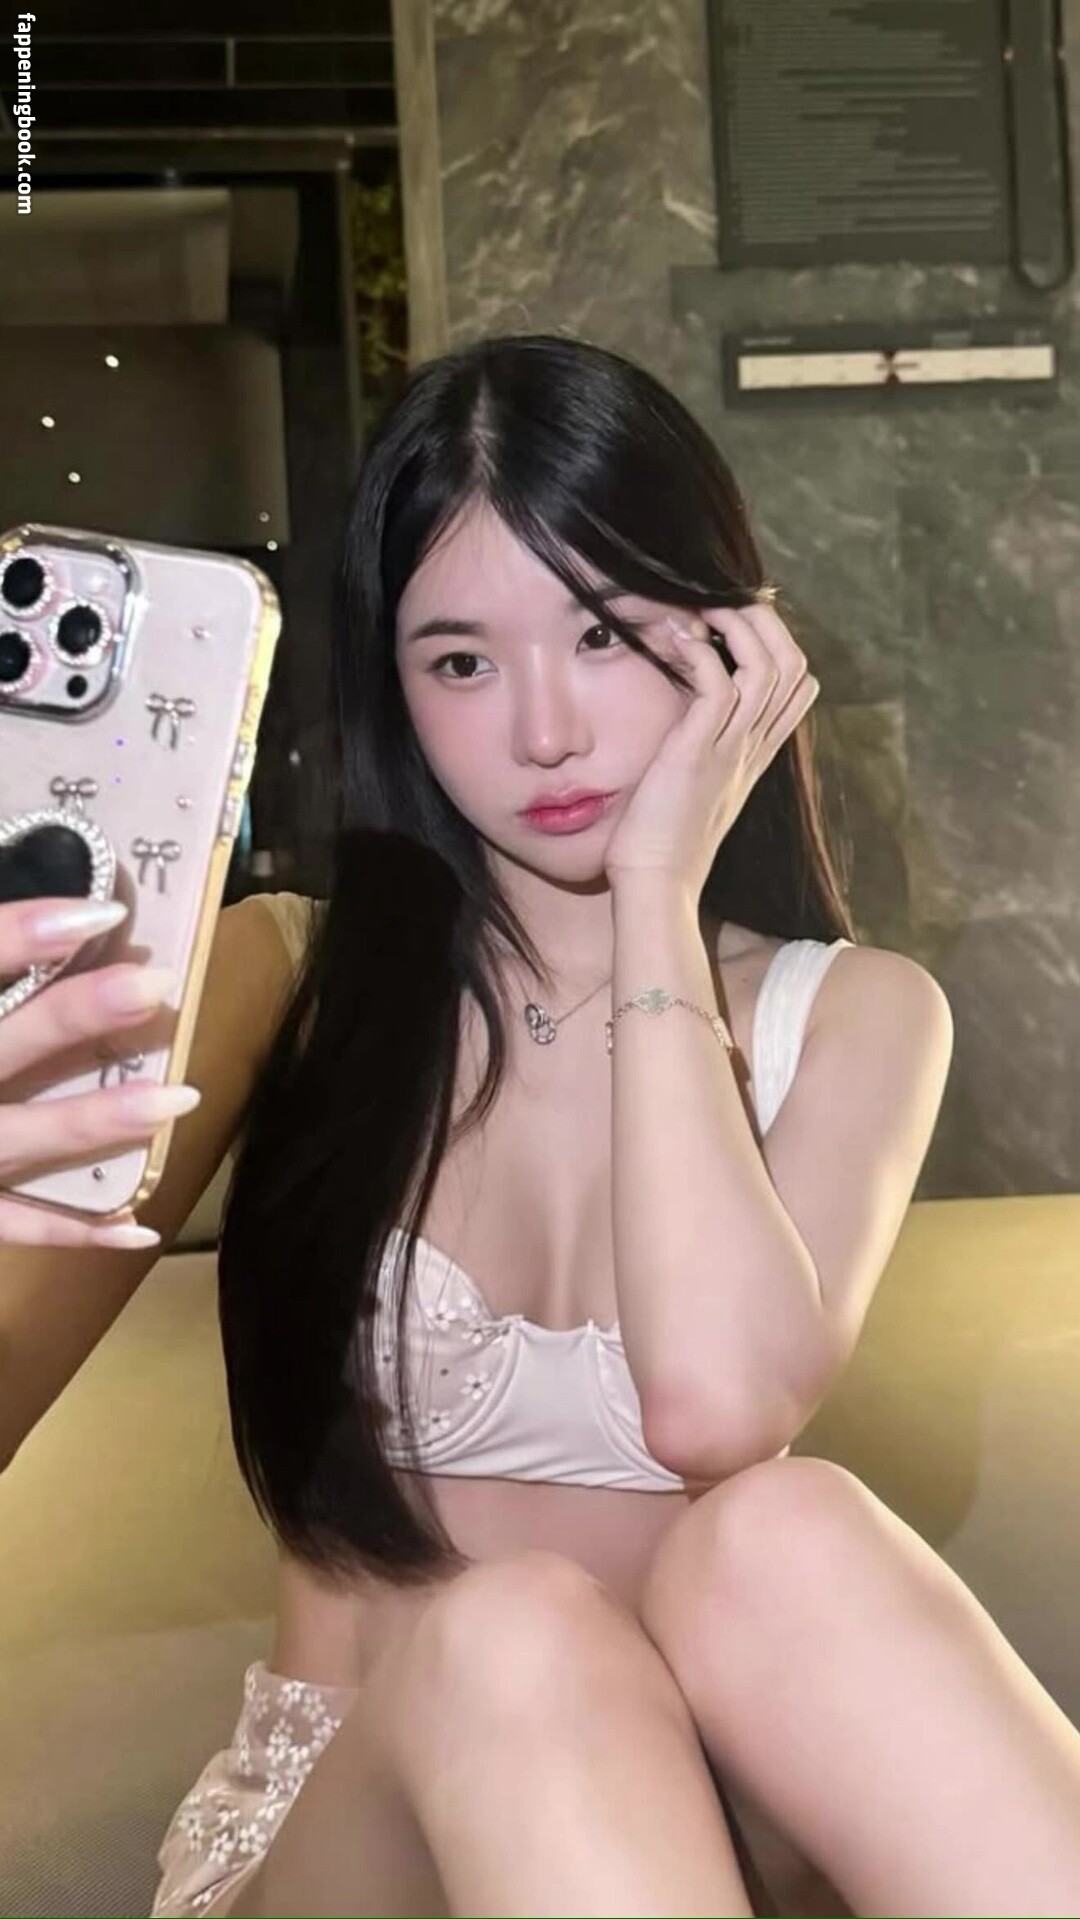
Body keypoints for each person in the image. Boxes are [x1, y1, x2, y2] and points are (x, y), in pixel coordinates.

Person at [2, 332, 1079, 1919]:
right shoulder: (286, 980)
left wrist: (655, 898)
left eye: (605, 634)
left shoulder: (859, 1018)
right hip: (353, 1836)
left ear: (732, 645)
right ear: (394, 692)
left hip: (700, 1849)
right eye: (461, 663)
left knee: (783, 1532)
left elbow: (713, 1408)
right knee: (519, 1633)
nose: (547, 731)